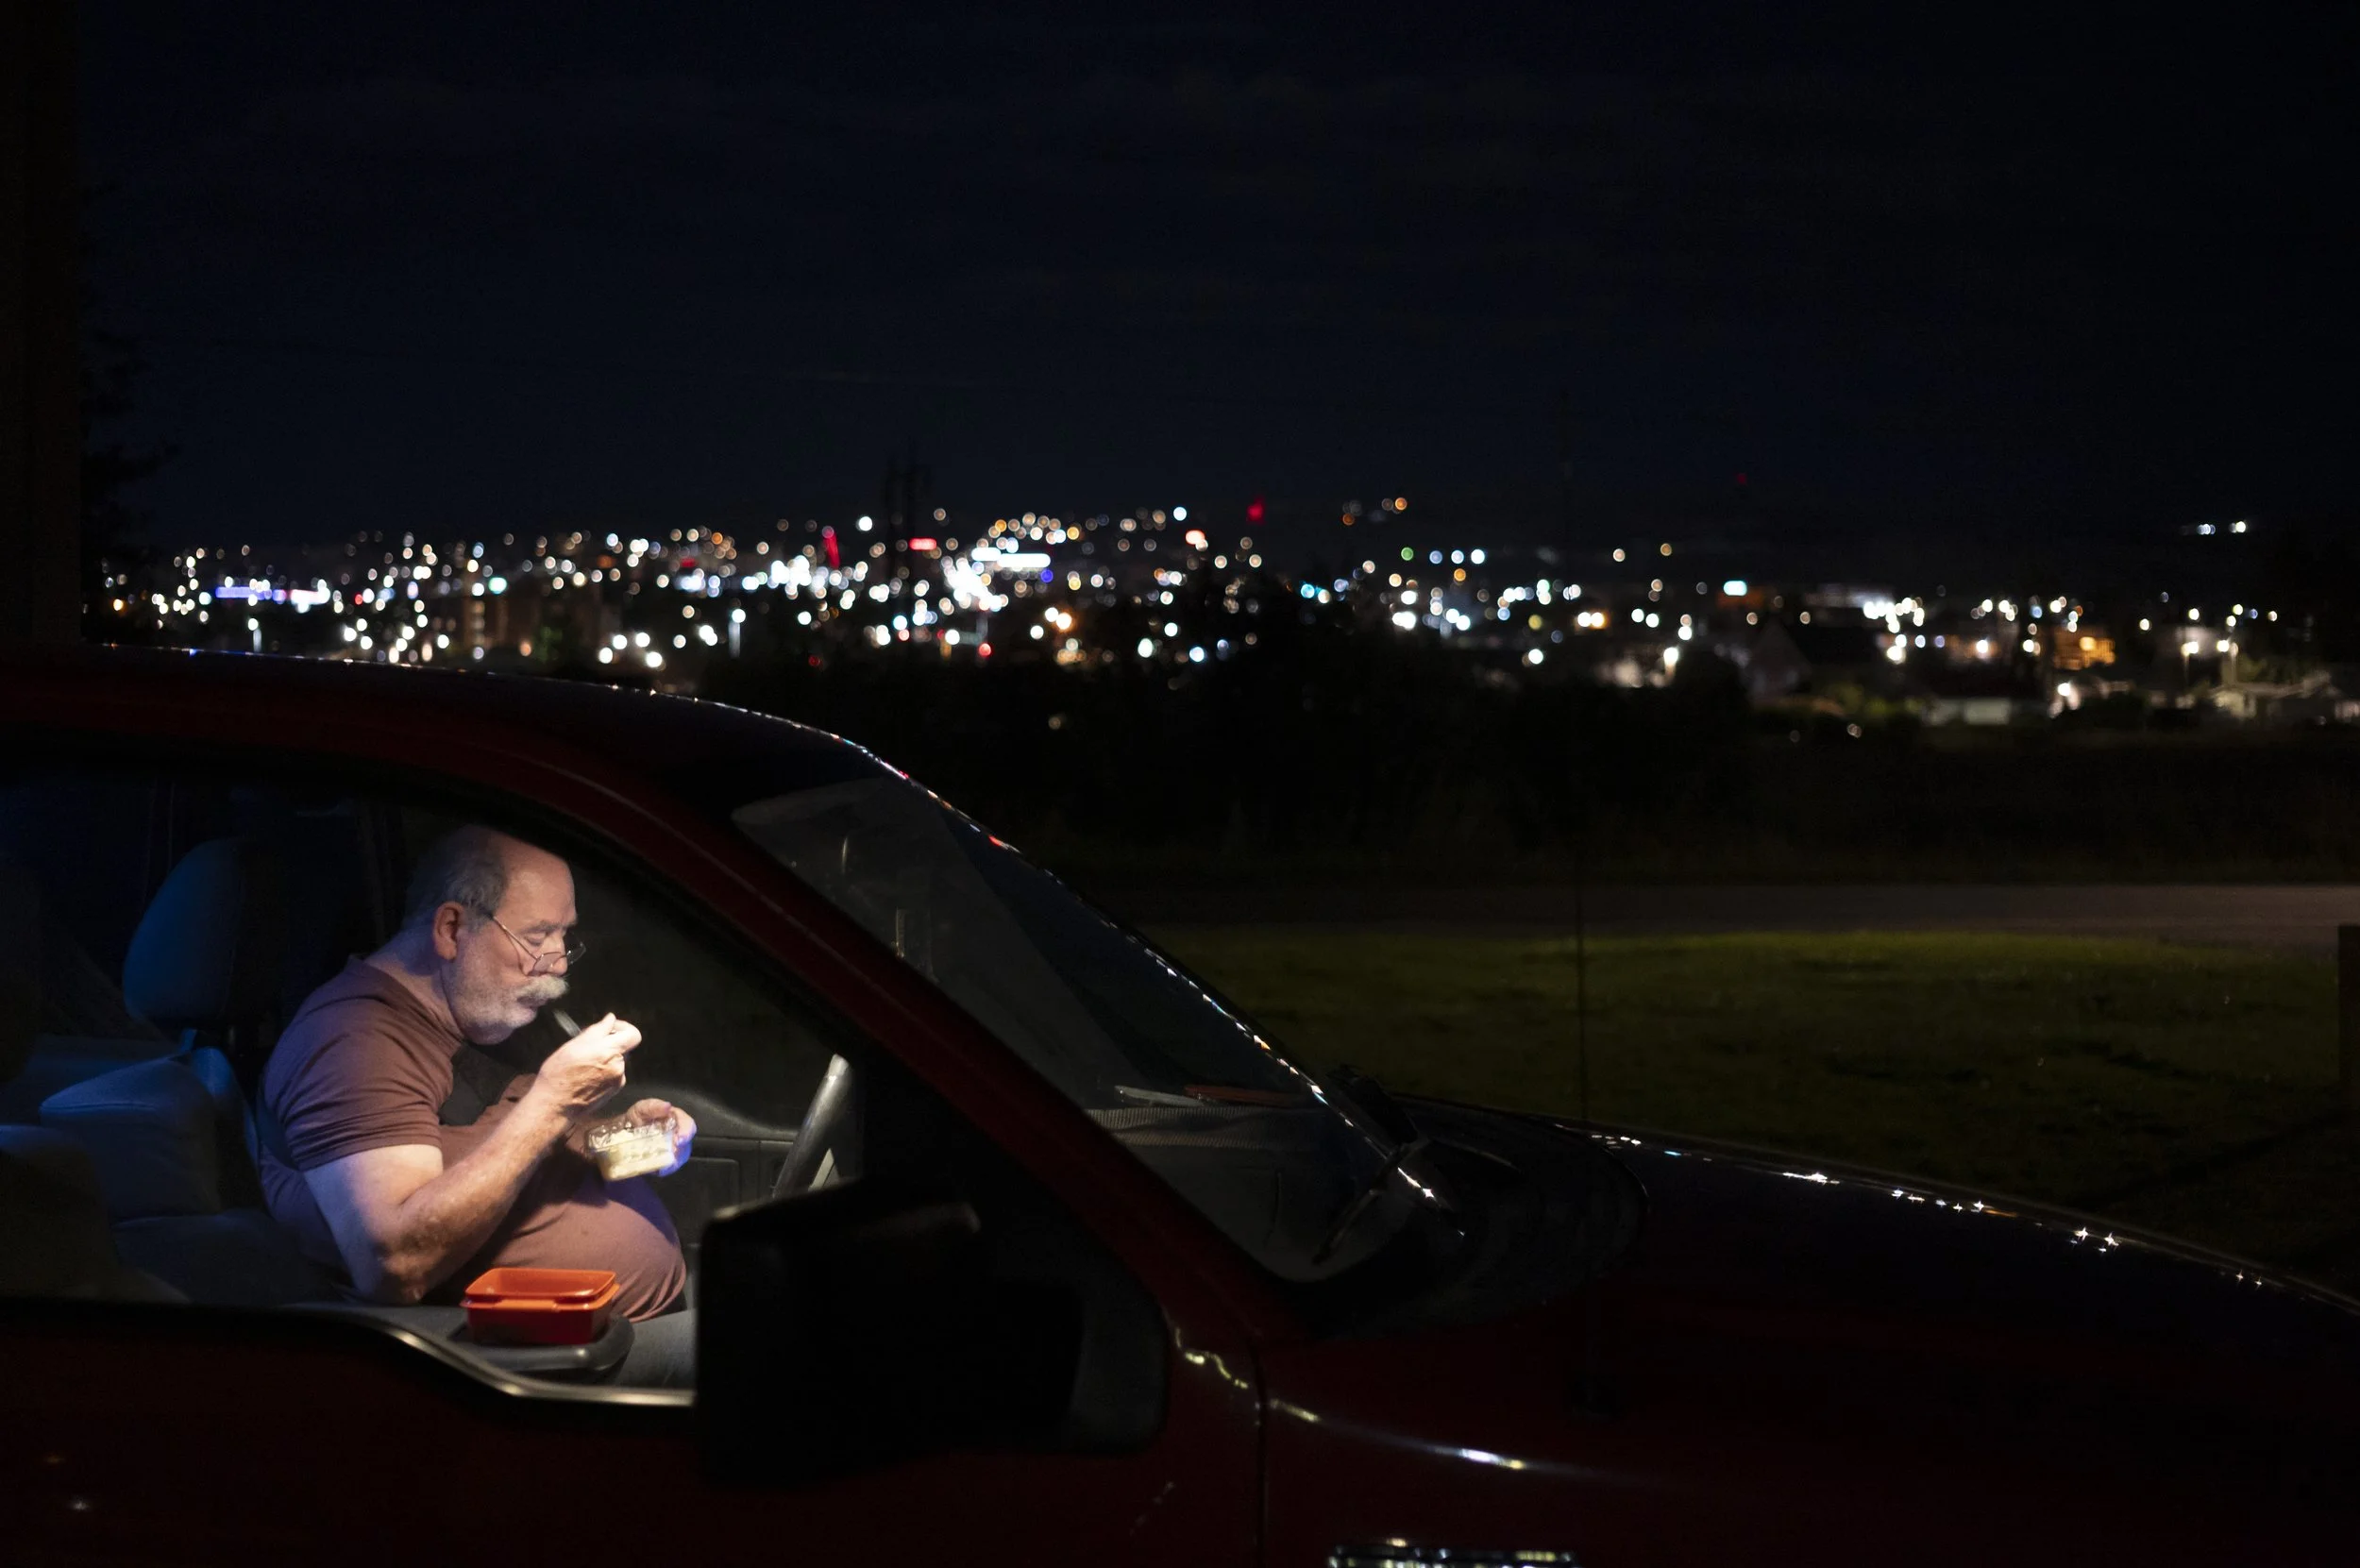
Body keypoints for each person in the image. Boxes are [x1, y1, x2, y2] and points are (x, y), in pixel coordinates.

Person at [256, 825, 698, 1385]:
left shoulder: (470, 1013)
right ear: (451, 928)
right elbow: (394, 1264)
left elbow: (516, 1148)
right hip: (546, 1360)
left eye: (565, 936)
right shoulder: (354, 1043)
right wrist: (555, 1100)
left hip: (605, 1325)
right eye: (539, 936)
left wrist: (634, 1140)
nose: (559, 963)